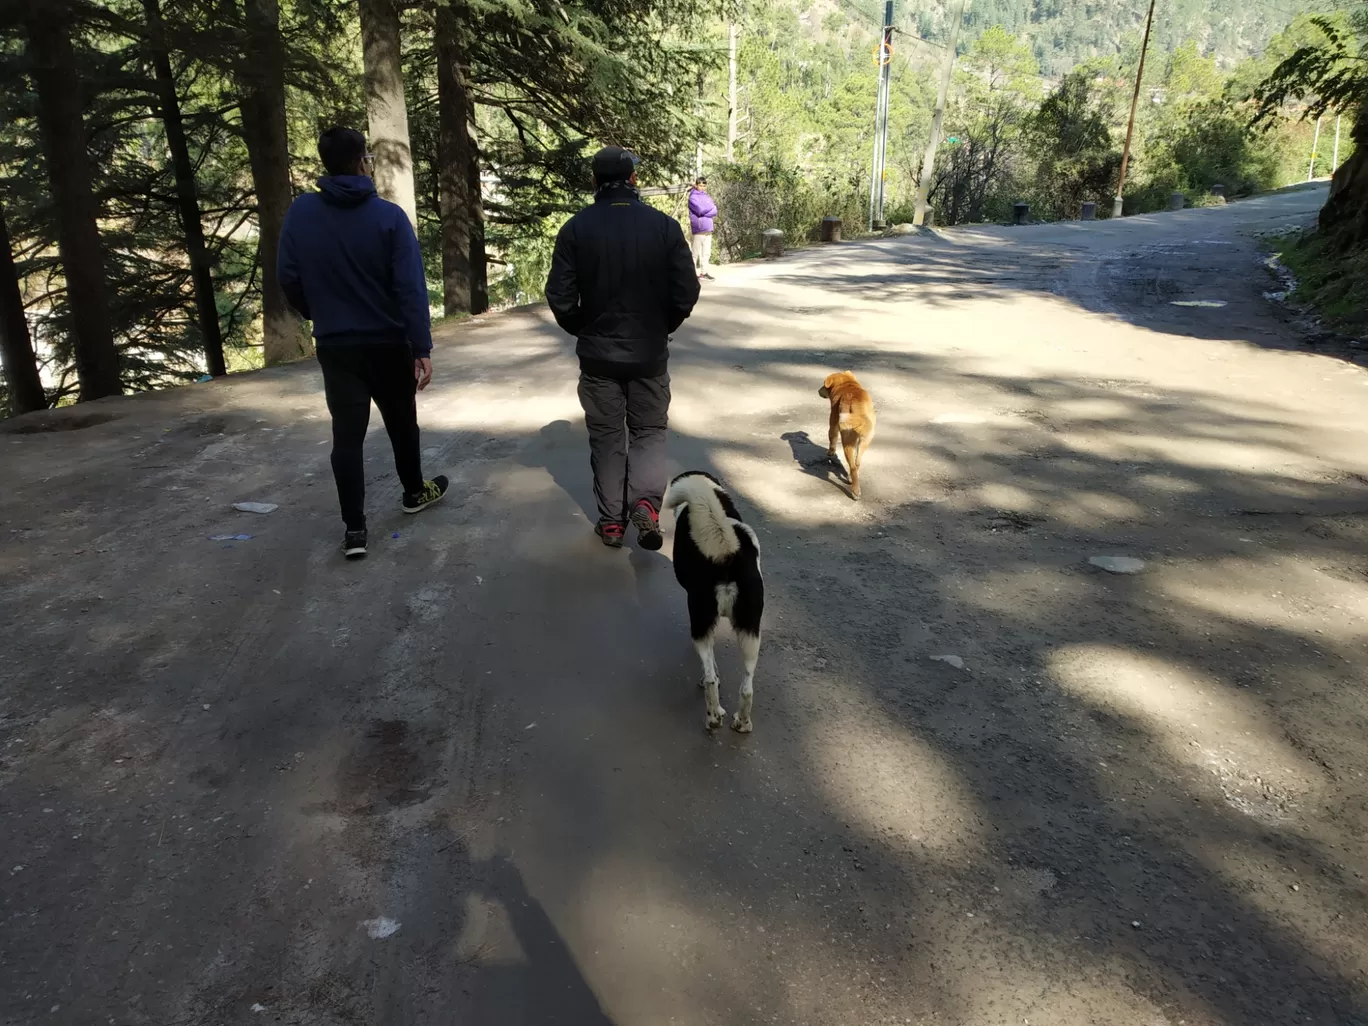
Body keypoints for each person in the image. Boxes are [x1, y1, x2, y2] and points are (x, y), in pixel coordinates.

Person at [278, 127, 449, 560]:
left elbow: (289, 277)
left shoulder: (302, 213)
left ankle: (355, 530)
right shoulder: (389, 217)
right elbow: (411, 289)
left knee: (346, 436)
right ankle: (414, 492)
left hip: (337, 344)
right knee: (401, 423)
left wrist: (319, 312)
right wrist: (421, 347)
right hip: (388, 340)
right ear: (361, 162)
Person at [544, 146, 701, 550]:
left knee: (607, 437)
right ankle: (645, 508)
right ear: (634, 180)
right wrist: (662, 326)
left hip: (598, 359)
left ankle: (612, 523)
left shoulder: (576, 229)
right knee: (648, 431)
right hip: (649, 355)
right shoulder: (664, 228)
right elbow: (687, 291)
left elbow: (560, 297)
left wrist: (584, 328)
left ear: (594, 182)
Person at [687, 176, 718, 280]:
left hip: (708, 227)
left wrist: (707, 208)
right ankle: (690, 274)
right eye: (700, 185)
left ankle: (704, 272)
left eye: (704, 186)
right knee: (695, 253)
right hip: (699, 228)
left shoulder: (707, 196)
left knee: (706, 253)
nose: (702, 187)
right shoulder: (692, 197)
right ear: (696, 185)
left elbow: (715, 210)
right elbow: (699, 209)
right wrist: (708, 207)